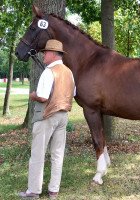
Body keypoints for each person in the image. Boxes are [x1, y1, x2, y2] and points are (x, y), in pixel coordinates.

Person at [19, 39, 75, 199]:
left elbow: (42, 97)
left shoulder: (49, 72)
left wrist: (32, 95)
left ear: (52, 54)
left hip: (46, 116)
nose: (43, 55)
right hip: (63, 116)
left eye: (45, 52)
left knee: (38, 153)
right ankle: (54, 190)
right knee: (57, 154)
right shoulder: (69, 72)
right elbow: (74, 93)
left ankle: (33, 191)